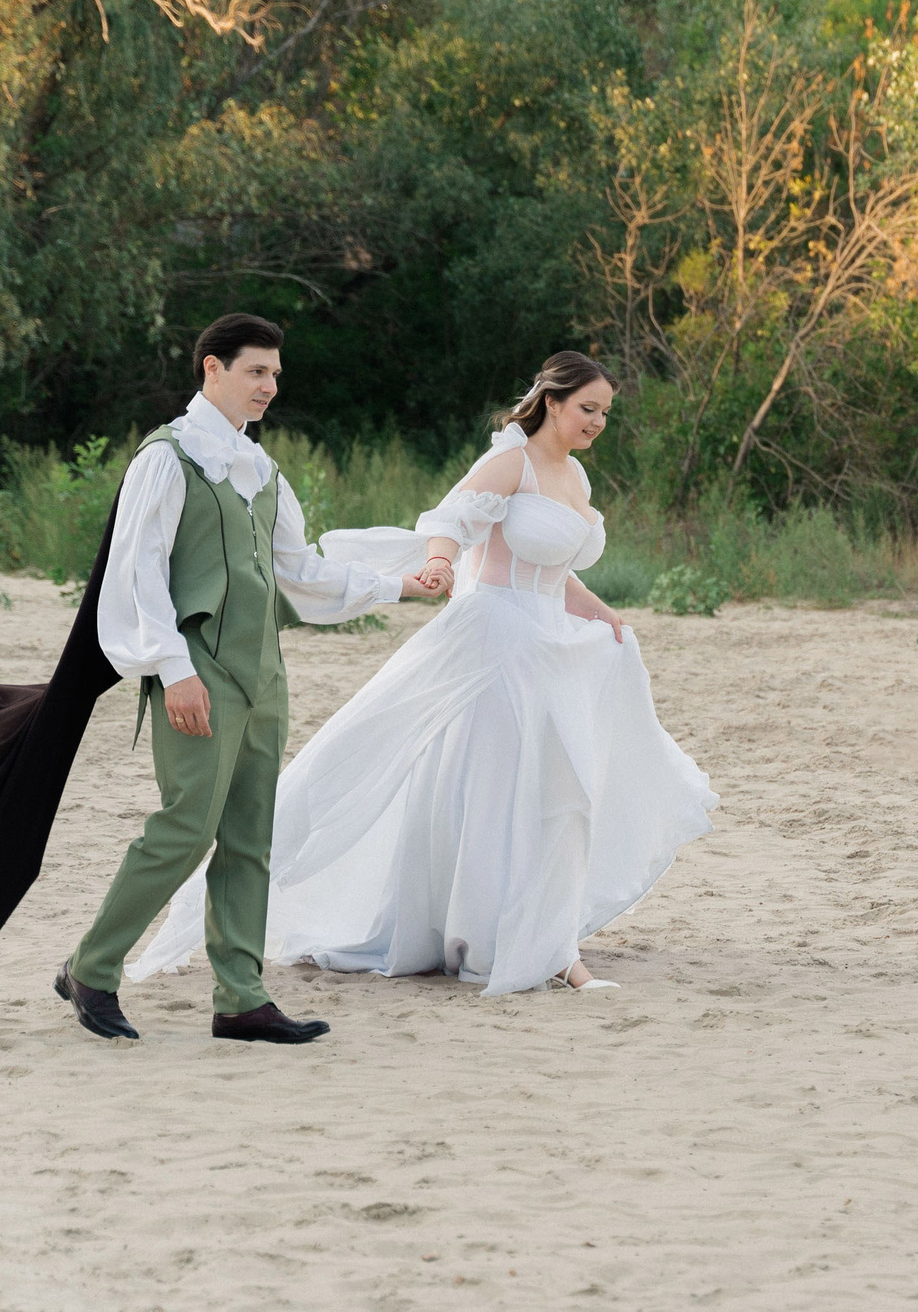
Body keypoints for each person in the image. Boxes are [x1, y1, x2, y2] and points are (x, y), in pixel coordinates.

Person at [128, 350, 715, 997]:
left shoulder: (574, 474)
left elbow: (558, 570)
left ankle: (545, 936)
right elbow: (450, 521)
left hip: (553, 644)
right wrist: (437, 564)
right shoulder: (509, 460)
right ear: (552, 400)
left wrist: (609, 619)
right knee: (508, 791)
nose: (597, 421)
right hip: (496, 637)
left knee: (563, 789)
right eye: (588, 408)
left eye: (605, 412)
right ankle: (538, 947)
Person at [55, 313, 442, 1044]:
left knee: (247, 838)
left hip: (264, 674)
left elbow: (301, 574)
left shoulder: (262, 470)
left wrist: (400, 586)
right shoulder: (166, 459)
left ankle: (239, 996)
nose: (269, 385)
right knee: (184, 828)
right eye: (256, 371)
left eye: (274, 374)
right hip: (197, 668)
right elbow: (134, 574)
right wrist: (173, 671)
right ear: (212, 368)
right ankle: (92, 967)